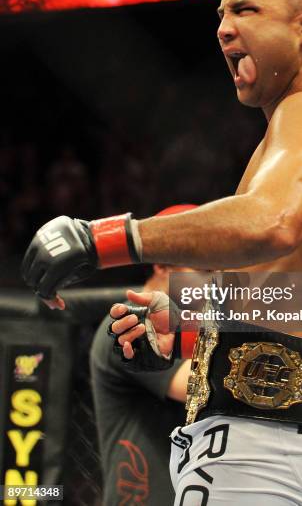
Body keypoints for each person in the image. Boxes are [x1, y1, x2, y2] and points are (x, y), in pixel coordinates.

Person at [22, 0, 302, 505]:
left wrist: (103, 238)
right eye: (220, 14)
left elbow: (273, 224)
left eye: (245, 10)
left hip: (257, 437)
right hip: (272, 433)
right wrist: (185, 308)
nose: (222, 28)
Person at [90, 205, 196, 506]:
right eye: (200, 268)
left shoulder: (196, 327)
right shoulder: (128, 323)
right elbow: (196, 385)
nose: (210, 281)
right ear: (161, 265)